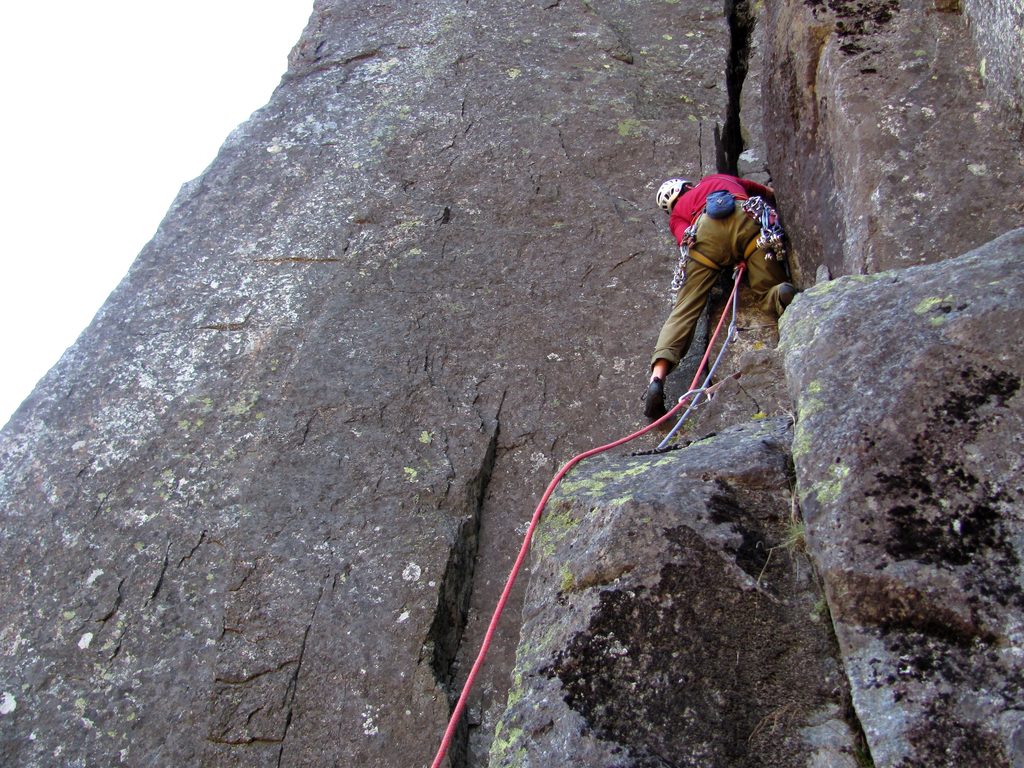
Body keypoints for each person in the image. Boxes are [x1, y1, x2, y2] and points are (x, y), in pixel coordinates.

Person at [644, 173, 797, 419]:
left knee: (685, 309)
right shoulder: (717, 178)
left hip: (707, 239)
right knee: (767, 288)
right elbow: (758, 189)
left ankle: (657, 377)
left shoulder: (676, 215)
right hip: (746, 220)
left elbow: (684, 237)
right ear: (689, 185)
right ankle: (779, 293)